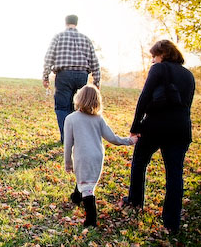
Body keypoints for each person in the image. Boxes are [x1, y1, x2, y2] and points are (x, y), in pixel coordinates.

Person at [123, 39, 195, 234]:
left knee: (139, 161)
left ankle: (135, 200)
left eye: (154, 56)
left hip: (155, 125)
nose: (153, 60)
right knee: (174, 175)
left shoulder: (159, 69)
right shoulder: (189, 75)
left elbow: (144, 97)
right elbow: (186, 104)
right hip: (180, 129)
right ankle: (172, 222)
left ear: (162, 55)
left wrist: (135, 126)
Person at [64, 85, 137, 227]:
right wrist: (129, 141)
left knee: (87, 187)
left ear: (78, 98)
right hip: (97, 156)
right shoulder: (98, 119)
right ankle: (76, 197)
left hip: (82, 156)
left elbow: (68, 144)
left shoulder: (70, 119)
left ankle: (91, 220)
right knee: (86, 179)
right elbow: (112, 138)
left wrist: (68, 163)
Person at [42, 14, 101, 143]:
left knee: (62, 107)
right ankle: (77, 138)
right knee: (79, 108)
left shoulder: (58, 37)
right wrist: (96, 82)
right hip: (82, 75)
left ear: (65, 23)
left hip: (64, 75)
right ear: (76, 23)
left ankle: (67, 139)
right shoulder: (86, 39)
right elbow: (95, 62)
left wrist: (45, 76)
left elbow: (49, 58)